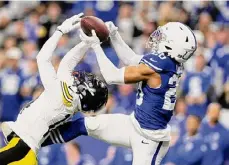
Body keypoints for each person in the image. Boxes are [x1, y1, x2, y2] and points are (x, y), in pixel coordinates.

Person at [39, 21, 197, 165]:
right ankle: (33, 142)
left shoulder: (158, 67)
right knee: (84, 125)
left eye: (164, 38)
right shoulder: (167, 63)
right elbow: (132, 59)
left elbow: (111, 76)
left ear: (171, 47)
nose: (158, 39)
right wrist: (115, 36)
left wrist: (96, 46)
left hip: (150, 140)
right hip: (134, 124)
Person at [0, 13, 108, 165]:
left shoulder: (64, 95)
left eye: (88, 81)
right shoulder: (70, 101)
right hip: (23, 147)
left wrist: (60, 31)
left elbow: (44, 59)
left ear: (85, 91)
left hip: (21, 151)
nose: (82, 78)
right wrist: (86, 43)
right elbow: (68, 64)